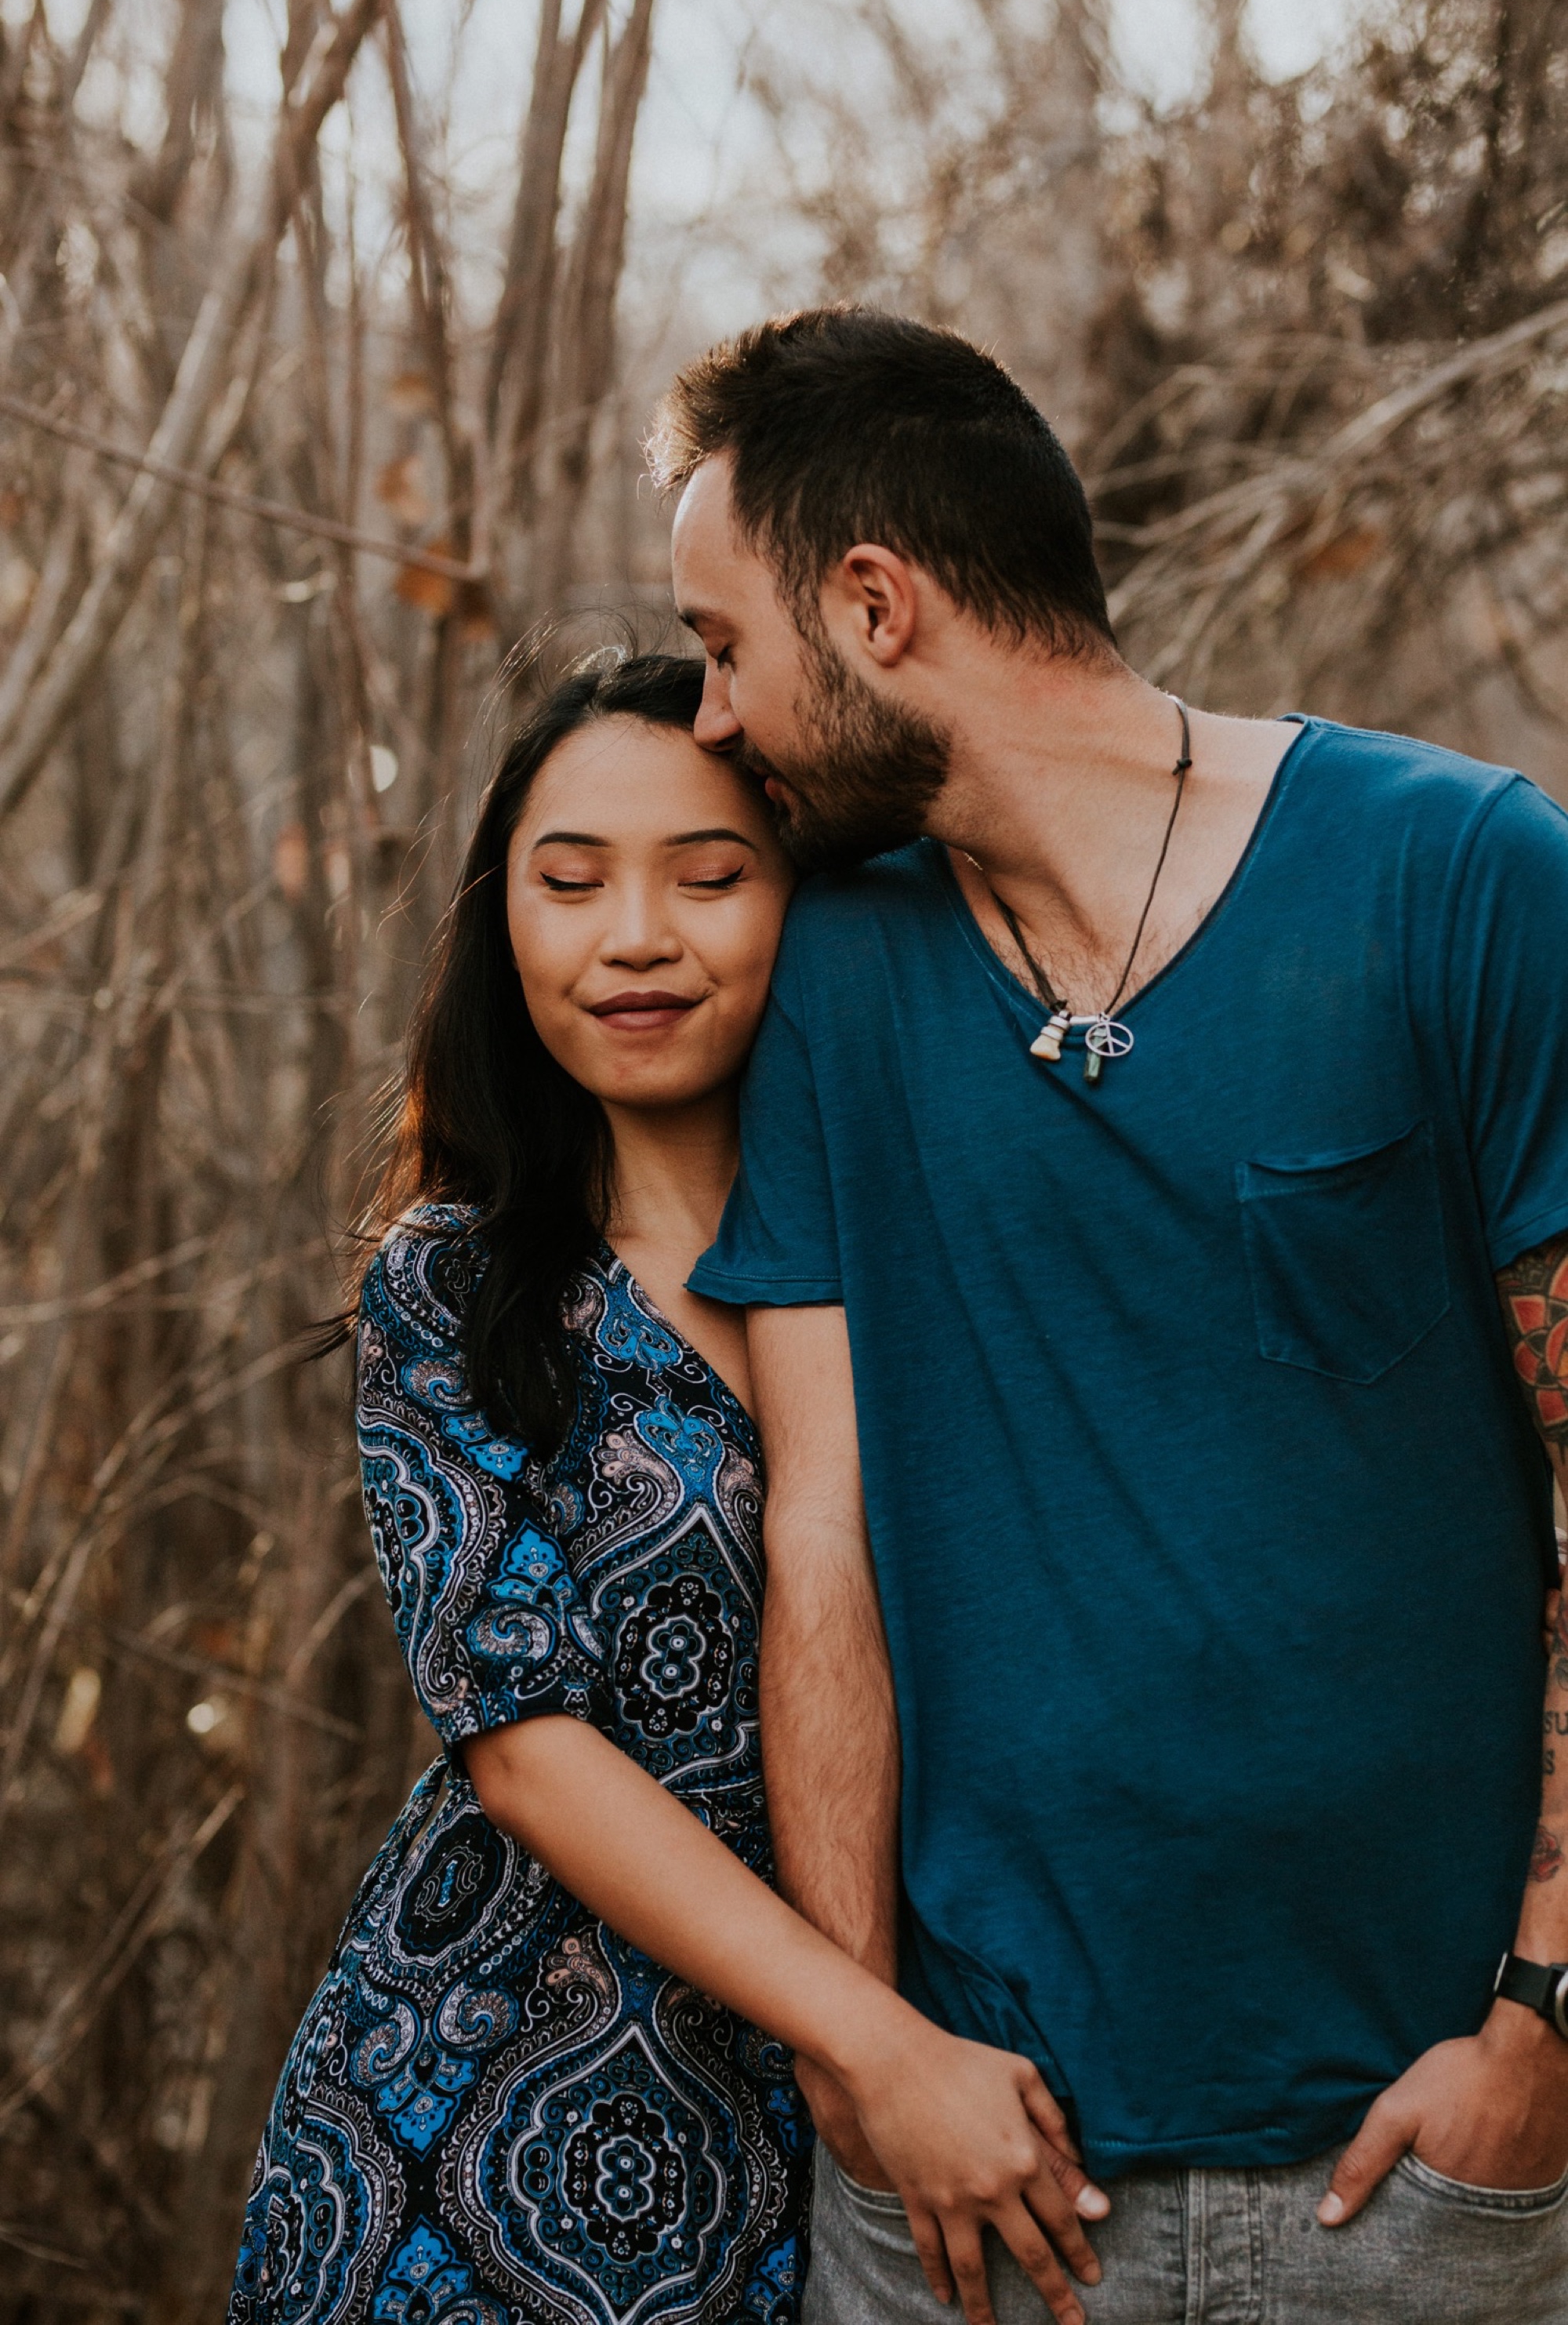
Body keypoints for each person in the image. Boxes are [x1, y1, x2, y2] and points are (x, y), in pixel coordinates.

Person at [649, 308, 1568, 2325]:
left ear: (874, 606)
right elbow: (825, 1547)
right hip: (970, 2171)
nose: (714, 718)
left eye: (727, 645)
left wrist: (1546, 2020)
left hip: (1411, 2170)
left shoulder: (1462, 882)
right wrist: (860, 2054)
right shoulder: (844, 980)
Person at [227, 651, 1107, 2325]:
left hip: (914, 2094)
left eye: (709, 879)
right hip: (480, 2124)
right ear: (508, 929)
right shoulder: (460, 1285)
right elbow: (524, 1751)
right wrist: (868, 2040)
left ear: (817, 908)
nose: (635, 936)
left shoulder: (951, 1247)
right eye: (569, 885)